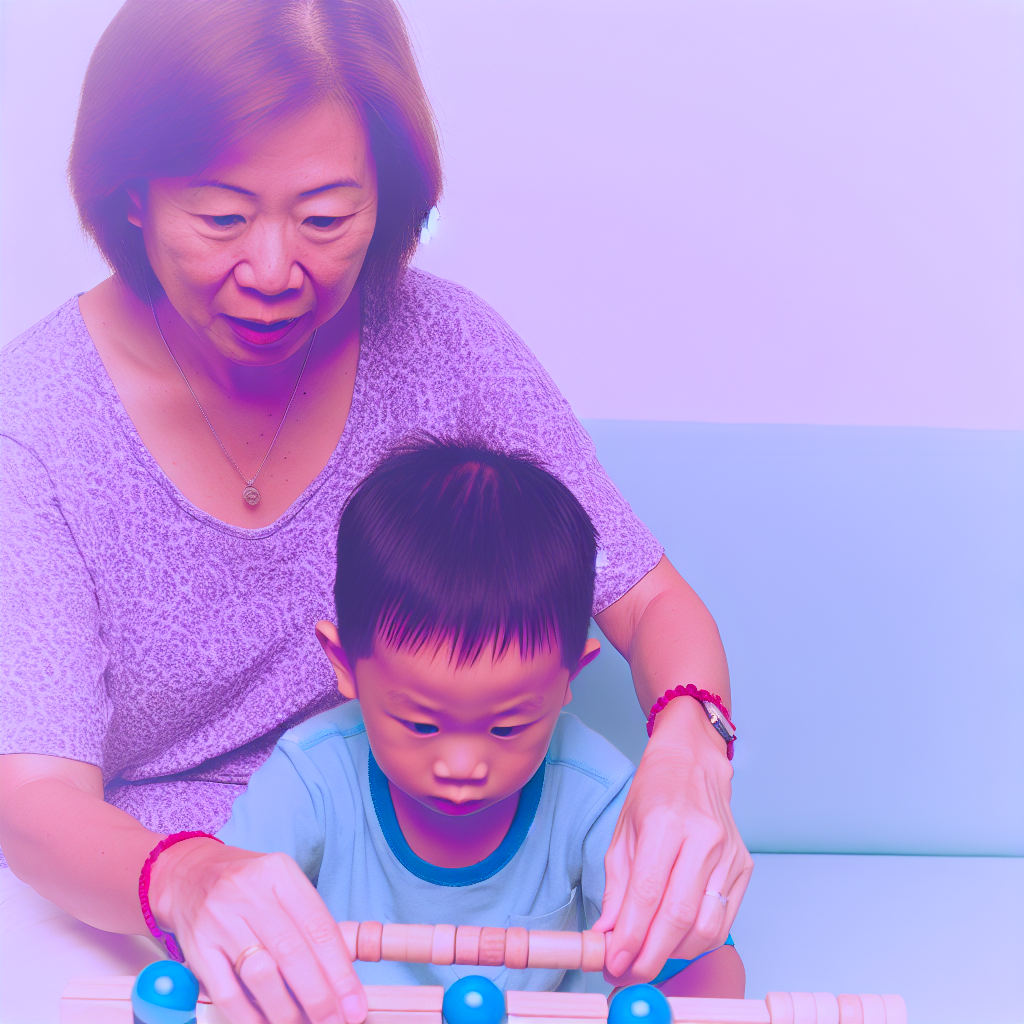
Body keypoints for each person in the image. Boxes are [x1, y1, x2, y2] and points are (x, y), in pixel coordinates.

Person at [0, 2, 751, 1023]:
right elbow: (37, 801)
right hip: (144, 914)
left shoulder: (448, 344)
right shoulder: (37, 422)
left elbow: (655, 601)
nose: (273, 271)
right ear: (134, 195)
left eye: (325, 217)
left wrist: (687, 747)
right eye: (222, 217)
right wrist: (191, 878)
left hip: (416, 901)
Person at [217, 438, 744, 1001]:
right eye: (421, 725)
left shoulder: (597, 797)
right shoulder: (312, 776)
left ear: (568, 677)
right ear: (345, 664)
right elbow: (220, 913)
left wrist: (672, 984)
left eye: (506, 728)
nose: (462, 766)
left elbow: (706, 966)